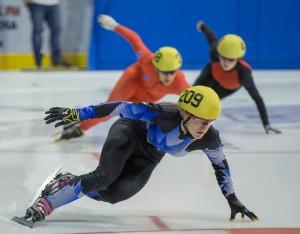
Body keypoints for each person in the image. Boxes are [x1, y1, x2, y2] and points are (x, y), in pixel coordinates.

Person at [21, 86, 258, 224]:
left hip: (151, 155)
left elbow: (221, 167)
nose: (204, 127)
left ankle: (68, 182)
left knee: (113, 194)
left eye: (210, 122)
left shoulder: (209, 139)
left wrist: (233, 199)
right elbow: (119, 107)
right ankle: (46, 204)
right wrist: (78, 114)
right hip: (129, 132)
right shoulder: (163, 114)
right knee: (105, 176)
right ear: (185, 112)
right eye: (200, 121)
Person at [58, 14, 190, 141]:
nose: (169, 77)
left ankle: (82, 118)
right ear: (155, 67)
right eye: (165, 72)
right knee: (110, 110)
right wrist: (114, 26)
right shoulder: (146, 59)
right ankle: (80, 127)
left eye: (172, 72)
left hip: (148, 96)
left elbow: (196, 100)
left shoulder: (179, 82)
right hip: (132, 81)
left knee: (145, 119)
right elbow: (134, 39)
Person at [193, 21, 281, 134]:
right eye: (223, 58)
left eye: (231, 60)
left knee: (208, 103)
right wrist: (203, 27)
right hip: (212, 73)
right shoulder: (215, 53)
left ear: (238, 58)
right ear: (219, 54)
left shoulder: (244, 73)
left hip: (227, 87)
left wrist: (266, 123)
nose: (226, 62)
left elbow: (257, 99)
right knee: (193, 93)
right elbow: (212, 38)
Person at [24, 0, 70, 68]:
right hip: (37, 3)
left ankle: (56, 59)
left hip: (54, 3)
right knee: (38, 30)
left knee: (56, 30)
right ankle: (38, 59)